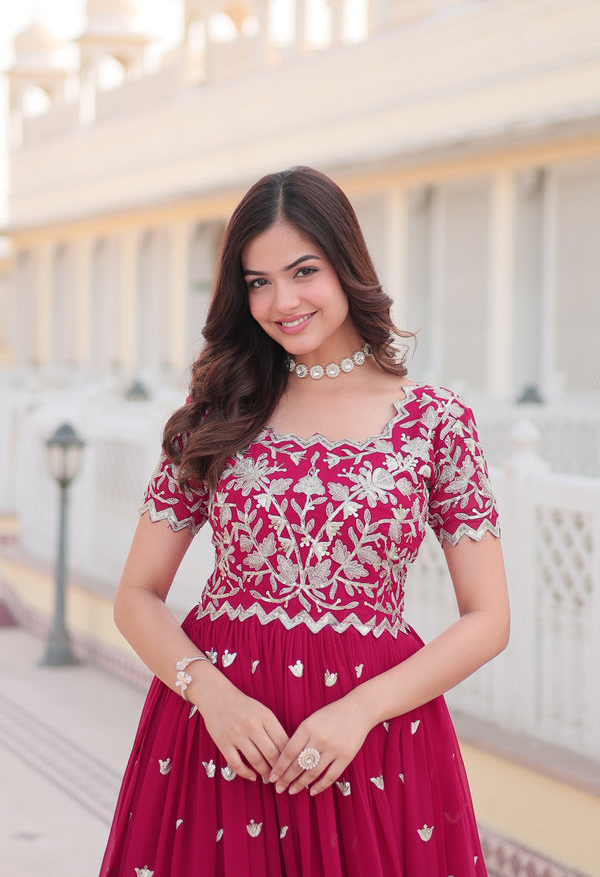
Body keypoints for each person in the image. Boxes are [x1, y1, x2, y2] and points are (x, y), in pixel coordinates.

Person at [99, 166, 509, 877]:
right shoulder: (217, 411)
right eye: (257, 281)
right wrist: (212, 696)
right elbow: (136, 596)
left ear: (347, 264)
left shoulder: (435, 421)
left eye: (302, 271)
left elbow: (488, 619)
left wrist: (361, 711)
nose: (281, 301)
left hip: (372, 742)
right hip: (221, 741)